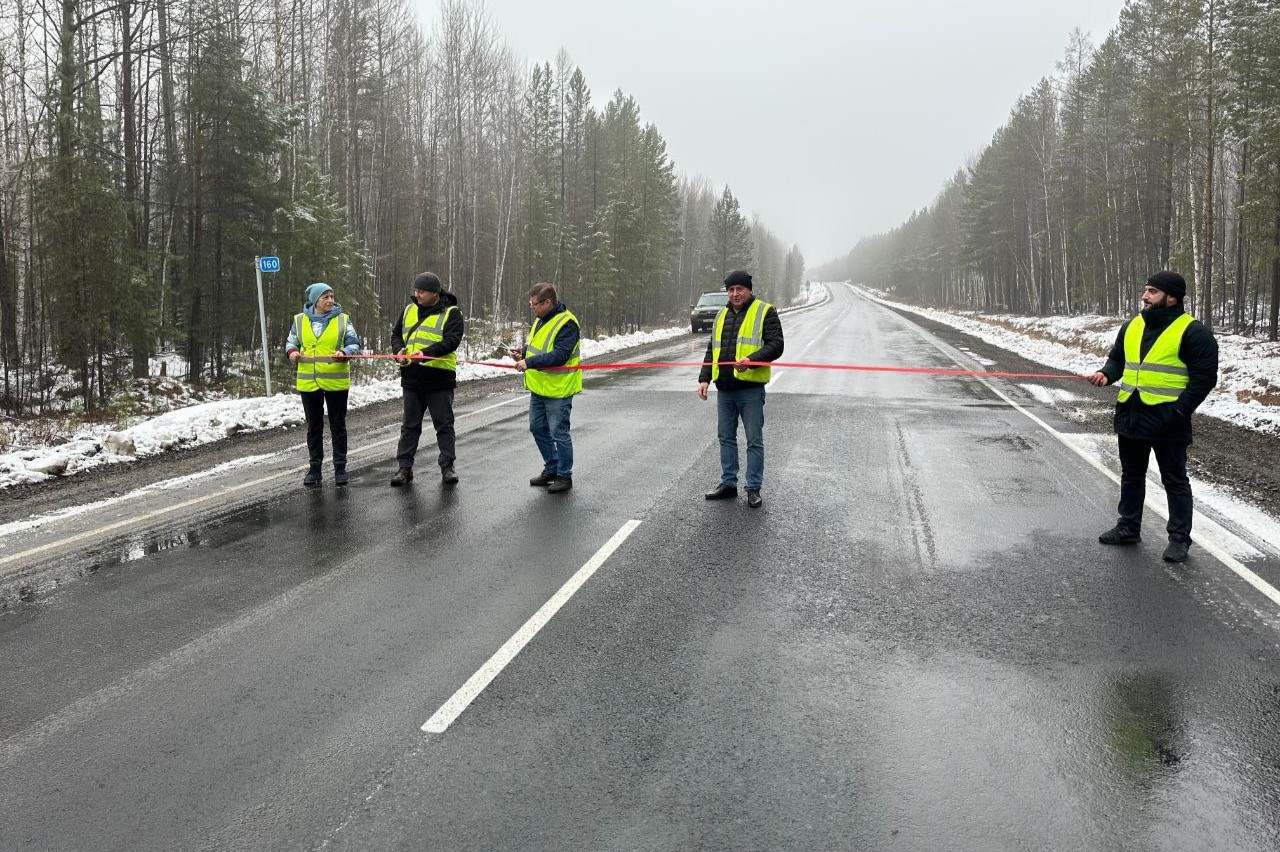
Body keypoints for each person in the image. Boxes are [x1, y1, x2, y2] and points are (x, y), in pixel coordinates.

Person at [1088, 270, 1219, 562]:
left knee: (1174, 480)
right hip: (1131, 415)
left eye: (1152, 291)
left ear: (1171, 297)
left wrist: (1180, 410)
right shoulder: (1132, 326)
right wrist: (1106, 374)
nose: (1145, 296)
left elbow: (1204, 379)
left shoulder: (1194, 332)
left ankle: (1179, 539)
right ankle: (1128, 527)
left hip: (1168, 420)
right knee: (1131, 476)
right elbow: (1117, 360)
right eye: (1145, 290)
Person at [697, 270, 784, 508]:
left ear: (749, 290)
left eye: (740, 289)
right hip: (724, 389)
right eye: (731, 290)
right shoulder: (721, 315)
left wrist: (752, 360)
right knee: (726, 437)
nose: (735, 294)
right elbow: (711, 349)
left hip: (750, 389)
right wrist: (704, 378)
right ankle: (728, 484)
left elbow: (777, 345)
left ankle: (753, 488)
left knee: (753, 440)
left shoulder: (765, 311)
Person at [390, 272, 465, 487]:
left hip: (440, 379)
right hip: (412, 378)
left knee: (444, 424)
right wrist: (399, 351)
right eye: (416, 290)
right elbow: (396, 334)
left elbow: (452, 341)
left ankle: (447, 467)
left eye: (421, 291)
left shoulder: (452, 313)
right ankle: (404, 469)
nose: (417, 294)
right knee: (410, 426)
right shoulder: (408, 310)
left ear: (435, 293)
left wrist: (426, 352)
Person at [286, 282, 361, 488]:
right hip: (309, 383)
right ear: (315, 301)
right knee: (314, 427)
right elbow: (291, 342)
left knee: (338, 426)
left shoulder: (343, 320)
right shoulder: (299, 321)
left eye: (332, 296)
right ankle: (315, 469)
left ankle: (340, 468)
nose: (330, 300)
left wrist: (345, 352)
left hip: (336, 382)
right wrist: (292, 352)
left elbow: (354, 343)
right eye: (325, 297)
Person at [513, 283, 581, 494]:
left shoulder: (567, 323)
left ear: (548, 302)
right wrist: (523, 353)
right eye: (530, 304)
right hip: (539, 388)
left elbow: (559, 355)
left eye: (535, 304)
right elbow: (539, 346)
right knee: (537, 428)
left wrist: (530, 363)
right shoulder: (541, 320)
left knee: (559, 433)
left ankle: (564, 476)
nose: (532, 308)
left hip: (558, 390)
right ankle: (551, 468)